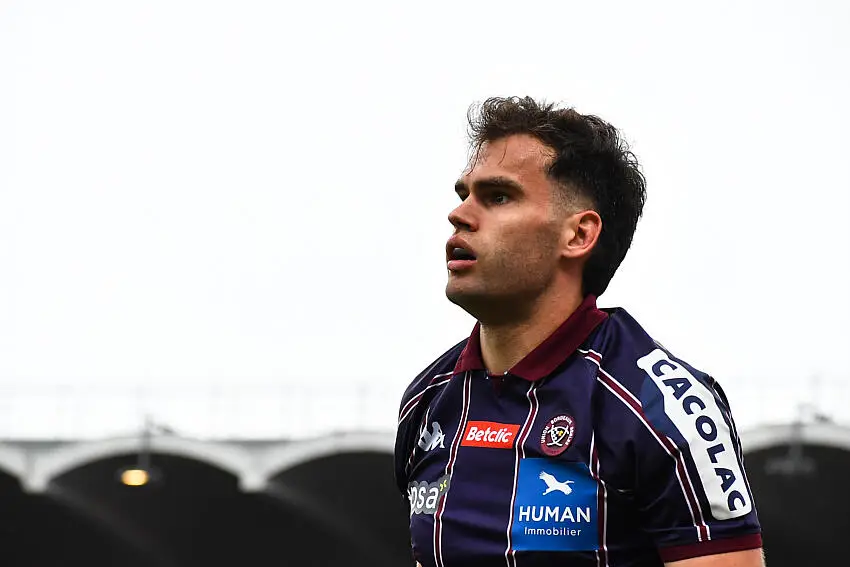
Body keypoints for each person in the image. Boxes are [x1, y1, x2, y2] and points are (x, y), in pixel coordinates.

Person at [394, 97, 764, 567]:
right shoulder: (428, 399)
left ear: (579, 235)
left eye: (498, 196)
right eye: (464, 194)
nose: (459, 214)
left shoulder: (661, 408)